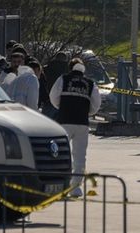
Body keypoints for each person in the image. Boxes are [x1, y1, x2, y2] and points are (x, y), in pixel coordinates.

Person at [49, 57, 102, 198]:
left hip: (64, 121)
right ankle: (76, 188)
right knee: (80, 156)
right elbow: (96, 105)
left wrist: (61, 107)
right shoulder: (90, 83)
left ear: (70, 68)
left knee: (62, 153)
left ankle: (62, 186)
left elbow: (53, 97)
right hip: (82, 123)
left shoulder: (63, 79)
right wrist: (86, 112)